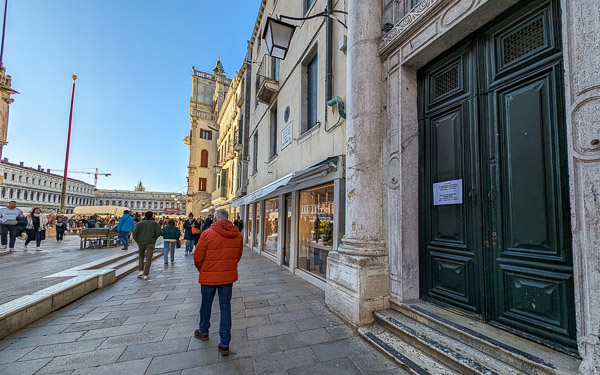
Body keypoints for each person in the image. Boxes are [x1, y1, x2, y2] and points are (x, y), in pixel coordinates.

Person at [193, 209, 243, 357]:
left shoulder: (207, 234)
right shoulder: (237, 235)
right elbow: (238, 256)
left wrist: (203, 269)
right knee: (225, 307)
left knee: (206, 305)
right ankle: (225, 343)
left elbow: (198, 257)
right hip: (227, 277)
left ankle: (203, 331)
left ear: (215, 219)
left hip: (209, 277)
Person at [132, 211, 162, 280]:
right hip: (150, 243)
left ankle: (140, 270)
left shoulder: (139, 224)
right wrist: (154, 238)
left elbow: (134, 233)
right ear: (152, 216)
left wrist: (138, 241)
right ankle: (146, 274)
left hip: (141, 243)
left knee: (141, 256)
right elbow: (159, 232)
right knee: (148, 258)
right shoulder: (155, 224)